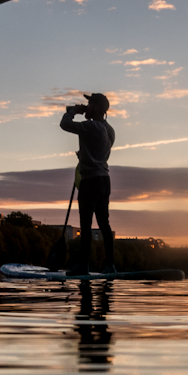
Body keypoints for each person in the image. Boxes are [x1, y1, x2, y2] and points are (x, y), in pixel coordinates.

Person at [60, 93, 116, 274]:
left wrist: (73, 111)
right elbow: (100, 148)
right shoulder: (109, 130)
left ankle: (83, 266)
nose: (87, 106)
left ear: (98, 108)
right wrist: (85, 154)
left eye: (90, 104)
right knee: (104, 224)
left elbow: (65, 125)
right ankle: (110, 266)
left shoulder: (92, 126)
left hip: (90, 181)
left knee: (85, 225)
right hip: (104, 180)